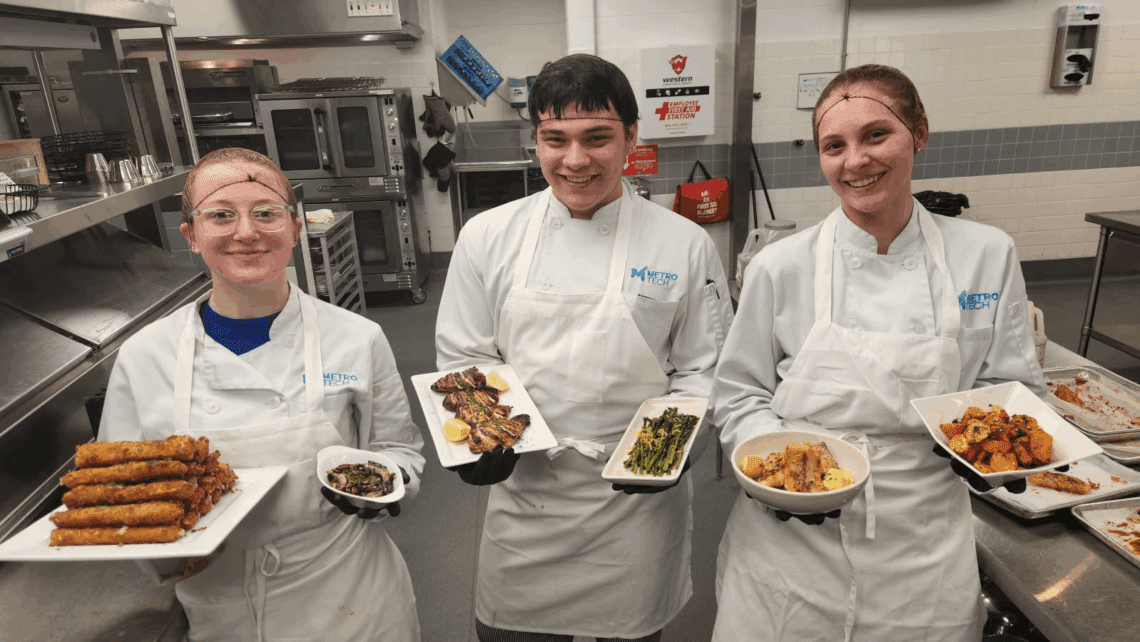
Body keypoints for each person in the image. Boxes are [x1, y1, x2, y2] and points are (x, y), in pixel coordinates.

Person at [710, 65, 1046, 641]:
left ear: (919, 131)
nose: (855, 161)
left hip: (923, 545)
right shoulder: (779, 266)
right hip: (790, 538)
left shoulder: (986, 254)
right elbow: (739, 394)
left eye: (875, 135)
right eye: (833, 146)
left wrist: (1010, 452)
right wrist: (771, 469)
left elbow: (1015, 388)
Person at [435, 54, 734, 641]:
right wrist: (485, 434)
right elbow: (467, 357)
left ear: (631, 137)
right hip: (527, 495)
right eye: (556, 139)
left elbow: (703, 368)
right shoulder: (487, 236)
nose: (575, 160)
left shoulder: (684, 243)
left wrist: (667, 449)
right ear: (536, 142)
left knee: (632, 627)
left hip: (636, 504)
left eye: (597, 138)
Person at [99, 148, 424, 641]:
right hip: (217, 601)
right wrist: (163, 553)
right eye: (221, 215)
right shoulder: (146, 356)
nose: (246, 232)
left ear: (295, 228)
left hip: (351, 594)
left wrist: (389, 485)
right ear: (191, 235)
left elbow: (399, 450)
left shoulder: (356, 337)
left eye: (266, 213)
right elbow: (114, 491)